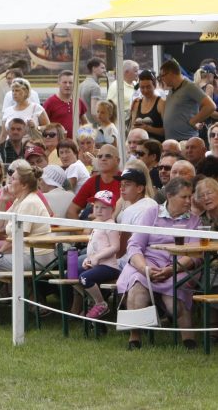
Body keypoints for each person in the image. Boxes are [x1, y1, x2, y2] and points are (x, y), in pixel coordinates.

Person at [118, 177, 202, 350]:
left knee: (175, 298)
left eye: (190, 197)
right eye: (184, 197)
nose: (188, 201)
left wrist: (171, 270)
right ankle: (135, 338)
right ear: (169, 196)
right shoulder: (151, 213)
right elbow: (134, 245)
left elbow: (194, 254)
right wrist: (144, 268)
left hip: (179, 266)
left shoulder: (194, 221)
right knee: (136, 287)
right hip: (147, 262)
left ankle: (188, 339)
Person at [0, 161, 53, 270]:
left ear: (24, 185)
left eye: (13, 179)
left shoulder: (29, 202)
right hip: (26, 255)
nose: (8, 181)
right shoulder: (19, 201)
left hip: (36, 258)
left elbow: (17, 239)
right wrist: (2, 201)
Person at [76, 190, 120, 319]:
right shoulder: (97, 224)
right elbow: (95, 248)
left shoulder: (111, 225)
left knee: (85, 278)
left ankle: (101, 303)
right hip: (97, 264)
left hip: (109, 267)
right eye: (96, 207)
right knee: (71, 274)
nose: (99, 210)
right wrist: (89, 259)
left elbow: (115, 246)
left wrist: (96, 257)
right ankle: (92, 300)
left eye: (104, 207)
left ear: (112, 209)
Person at [160, 58, 216, 141]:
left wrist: (193, 121)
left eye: (162, 75)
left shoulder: (190, 87)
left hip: (186, 140)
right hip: (172, 140)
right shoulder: (172, 89)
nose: (161, 79)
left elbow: (210, 106)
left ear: (171, 74)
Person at [66, 144, 121, 219]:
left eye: (108, 156)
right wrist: (82, 230)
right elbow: (71, 211)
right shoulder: (92, 181)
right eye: (100, 156)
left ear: (118, 161)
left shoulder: (125, 180)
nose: (103, 159)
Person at [0, 78, 47, 143]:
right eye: (13, 91)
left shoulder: (36, 108)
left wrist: (36, 127)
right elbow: (3, 134)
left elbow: (48, 128)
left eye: (17, 90)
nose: (14, 93)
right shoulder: (7, 111)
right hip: (10, 149)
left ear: (26, 92)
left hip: (31, 147)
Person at [42, 70, 87, 140]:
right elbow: (43, 125)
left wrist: (85, 138)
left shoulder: (78, 101)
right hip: (57, 144)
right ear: (59, 83)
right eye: (64, 82)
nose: (68, 85)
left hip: (75, 144)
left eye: (70, 83)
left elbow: (85, 123)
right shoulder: (50, 102)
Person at [129, 70, 165, 140]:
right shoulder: (137, 103)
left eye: (148, 87)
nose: (145, 90)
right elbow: (132, 128)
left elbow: (166, 131)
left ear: (154, 86)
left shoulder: (161, 103)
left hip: (156, 146)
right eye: (142, 87)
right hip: (140, 146)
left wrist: (148, 128)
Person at [80, 57, 107, 125]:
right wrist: (105, 124)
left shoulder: (81, 84)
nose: (105, 70)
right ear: (94, 68)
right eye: (102, 68)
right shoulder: (95, 87)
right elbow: (94, 112)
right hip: (93, 127)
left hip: (82, 126)